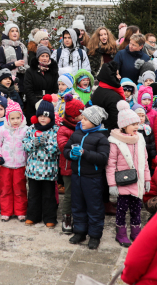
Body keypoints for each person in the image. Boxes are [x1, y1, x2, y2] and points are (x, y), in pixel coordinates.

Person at [64, 105, 110, 250]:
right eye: (82, 118)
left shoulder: (101, 138)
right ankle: (80, 232)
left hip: (93, 178)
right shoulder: (76, 133)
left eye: (85, 119)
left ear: (95, 121)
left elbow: (103, 158)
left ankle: (95, 235)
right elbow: (66, 149)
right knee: (77, 205)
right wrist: (70, 154)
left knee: (94, 207)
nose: (81, 121)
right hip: (77, 176)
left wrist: (84, 153)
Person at [107, 103, 150, 247]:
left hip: (137, 182)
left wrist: (147, 179)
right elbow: (111, 164)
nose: (136, 126)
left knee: (136, 208)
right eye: (132, 124)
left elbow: (145, 161)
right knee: (121, 209)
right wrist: (112, 184)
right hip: (123, 182)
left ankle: (136, 231)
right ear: (124, 125)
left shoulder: (140, 139)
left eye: (137, 123)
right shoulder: (115, 141)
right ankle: (121, 233)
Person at [23, 95, 59, 228]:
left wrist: (45, 143)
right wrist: (35, 142)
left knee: (48, 196)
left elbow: (57, 149)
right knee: (33, 195)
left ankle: (50, 217)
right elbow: (25, 146)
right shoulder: (31, 129)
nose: (43, 118)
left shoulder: (55, 130)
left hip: (49, 170)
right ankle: (33, 216)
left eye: (46, 116)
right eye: (40, 116)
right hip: (33, 170)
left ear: (51, 117)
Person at [0, 100, 28, 222]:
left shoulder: (26, 130)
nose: (16, 121)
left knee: (20, 189)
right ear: (8, 119)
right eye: (12, 118)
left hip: (20, 165)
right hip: (5, 164)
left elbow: (29, 146)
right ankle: (6, 211)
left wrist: (28, 160)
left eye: (18, 118)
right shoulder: (3, 130)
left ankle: (20, 211)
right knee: (5, 188)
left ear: (22, 117)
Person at [57, 94, 85, 234]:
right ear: (74, 117)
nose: (83, 116)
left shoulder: (82, 127)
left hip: (81, 167)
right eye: (81, 114)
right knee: (69, 194)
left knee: (80, 193)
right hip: (68, 167)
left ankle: (79, 218)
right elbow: (63, 146)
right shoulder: (63, 129)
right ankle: (67, 217)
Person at [23, 45, 59, 120]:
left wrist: (51, 102)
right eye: (42, 56)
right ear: (38, 57)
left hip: (49, 104)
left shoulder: (53, 71)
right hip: (33, 105)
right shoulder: (30, 71)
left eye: (47, 56)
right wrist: (36, 103)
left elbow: (56, 89)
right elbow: (28, 89)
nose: (45, 58)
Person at [91, 61, 125, 132]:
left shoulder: (99, 90)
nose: (119, 77)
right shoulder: (113, 97)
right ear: (110, 76)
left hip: (99, 130)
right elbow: (116, 121)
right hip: (110, 133)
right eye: (117, 74)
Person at [0, 23, 28, 92]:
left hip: (23, 82)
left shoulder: (22, 47)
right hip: (9, 83)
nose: (15, 33)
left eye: (16, 31)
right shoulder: (2, 49)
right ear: (8, 33)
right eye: (12, 31)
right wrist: (14, 64)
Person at [134, 104, 156, 170]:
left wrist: (153, 156)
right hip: (136, 155)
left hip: (147, 155)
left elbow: (152, 144)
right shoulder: (132, 129)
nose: (140, 118)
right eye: (138, 116)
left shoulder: (148, 128)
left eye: (142, 116)